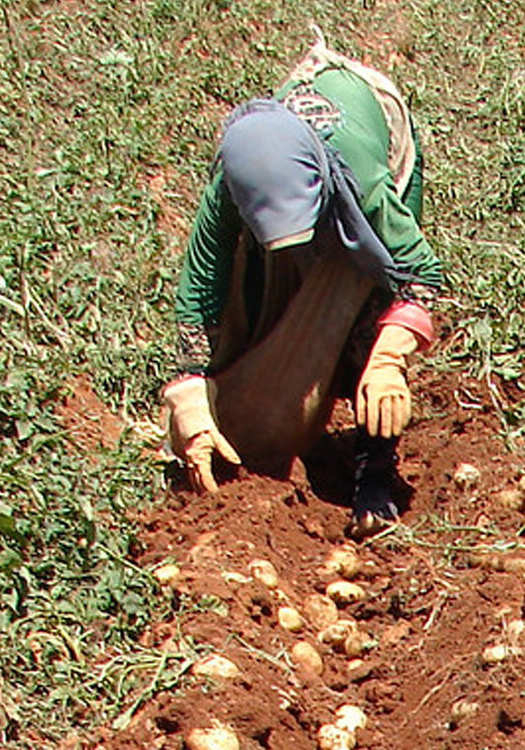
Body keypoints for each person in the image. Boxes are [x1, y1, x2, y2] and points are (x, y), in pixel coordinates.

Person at [161, 36, 445, 537]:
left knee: (366, 314)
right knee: (251, 298)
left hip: (366, 153)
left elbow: (418, 275)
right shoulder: (236, 177)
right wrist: (188, 392)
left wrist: (387, 359)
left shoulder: (364, 179)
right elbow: (203, 282)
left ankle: (373, 476)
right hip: (290, 181)